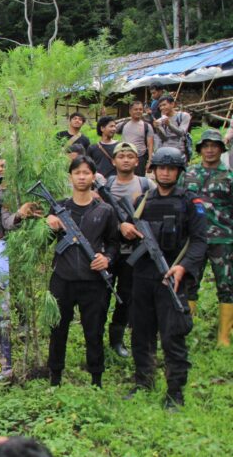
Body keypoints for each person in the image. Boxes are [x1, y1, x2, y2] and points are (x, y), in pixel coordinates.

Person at [121, 147, 207, 408]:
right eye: (161, 168)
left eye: (171, 168)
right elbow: (129, 230)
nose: (166, 172)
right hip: (143, 277)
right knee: (140, 333)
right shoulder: (142, 201)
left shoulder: (191, 203)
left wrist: (183, 268)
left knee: (172, 336)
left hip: (172, 278)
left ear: (179, 172)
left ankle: (175, 392)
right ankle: (143, 381)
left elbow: (200, 242)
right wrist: (123, 227)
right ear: (154, 170)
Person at [45, 156, 120, 388]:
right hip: (63, 279)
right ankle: (55, 377)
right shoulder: (59, 207)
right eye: (77, 172)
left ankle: (96, 379)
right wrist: (48, 225)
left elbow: (115, 243)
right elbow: (45, 241)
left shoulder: (105, 210)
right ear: (70, 176)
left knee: (94, 331)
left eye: (86, 172)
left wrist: (106, 259)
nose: (81, 177)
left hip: (93, 282)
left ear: (93, 176)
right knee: (58, 330)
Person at [182, 130, 233, 346]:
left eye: (214, 146)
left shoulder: (229, 176)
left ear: (221, 150)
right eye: (205, 145)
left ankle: (223, 336)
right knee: (189, 282)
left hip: (223, 238)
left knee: (227, 285)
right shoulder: (189, 174)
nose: (210, 150)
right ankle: (185, 329)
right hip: (194, 239)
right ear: (200, 149)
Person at [103, 143, 153, 358]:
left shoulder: (146, 185)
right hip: (109, 250)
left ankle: (117, 339)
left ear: (136, 161)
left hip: (135, 252)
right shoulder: (106, 185)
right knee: (102, 295)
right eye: (120, 156)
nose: (125, 159)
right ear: (113, 161)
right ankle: (96, 336)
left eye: (130, 156)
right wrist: (119, 226)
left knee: (126, 295)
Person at [117, 100, 154, 176]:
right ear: (130, 111)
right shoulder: (123, 125)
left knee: (139, 181)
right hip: (125, 157)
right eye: (136, 109)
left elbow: (150, 145)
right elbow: (109, 131)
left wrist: (150, 161)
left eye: (140, 109)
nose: (138, 111)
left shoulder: (147, 126)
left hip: (140, 158)